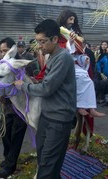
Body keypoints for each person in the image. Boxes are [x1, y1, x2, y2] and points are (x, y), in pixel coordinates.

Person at [14, 19, 76, 178]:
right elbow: (48, 82)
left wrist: (24, 86)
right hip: (47, 115)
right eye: (37, 41)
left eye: (42, 41)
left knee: (48, 164)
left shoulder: (63, 57)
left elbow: (47, 88)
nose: (39, 45)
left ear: (55, 39)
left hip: (59, 119)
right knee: (44, 159)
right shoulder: (52, 56)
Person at [57, 10, 105, 117]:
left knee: (88, 80)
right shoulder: (58, 34)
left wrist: (84, 59)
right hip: (62, 63)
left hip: (74, 63)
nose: (72, 22)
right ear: (64, 18)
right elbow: (59, 51)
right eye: (70, 19)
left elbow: (78, 54)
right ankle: (79, 106)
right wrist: (69, 43)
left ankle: (91, 107)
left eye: (74, 19)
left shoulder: (75, 34)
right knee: (80, 77)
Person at [0, 37, 27, 178]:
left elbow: (29, 83)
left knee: (16, 136)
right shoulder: (3, 64)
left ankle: (10, 165)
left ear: (13, 49)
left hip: (21, 108)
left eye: (5, 50)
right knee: (5, 134)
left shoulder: (23, 63)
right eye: (2, 50)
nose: (3, 53)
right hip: (7, 107)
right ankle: (8, 158)